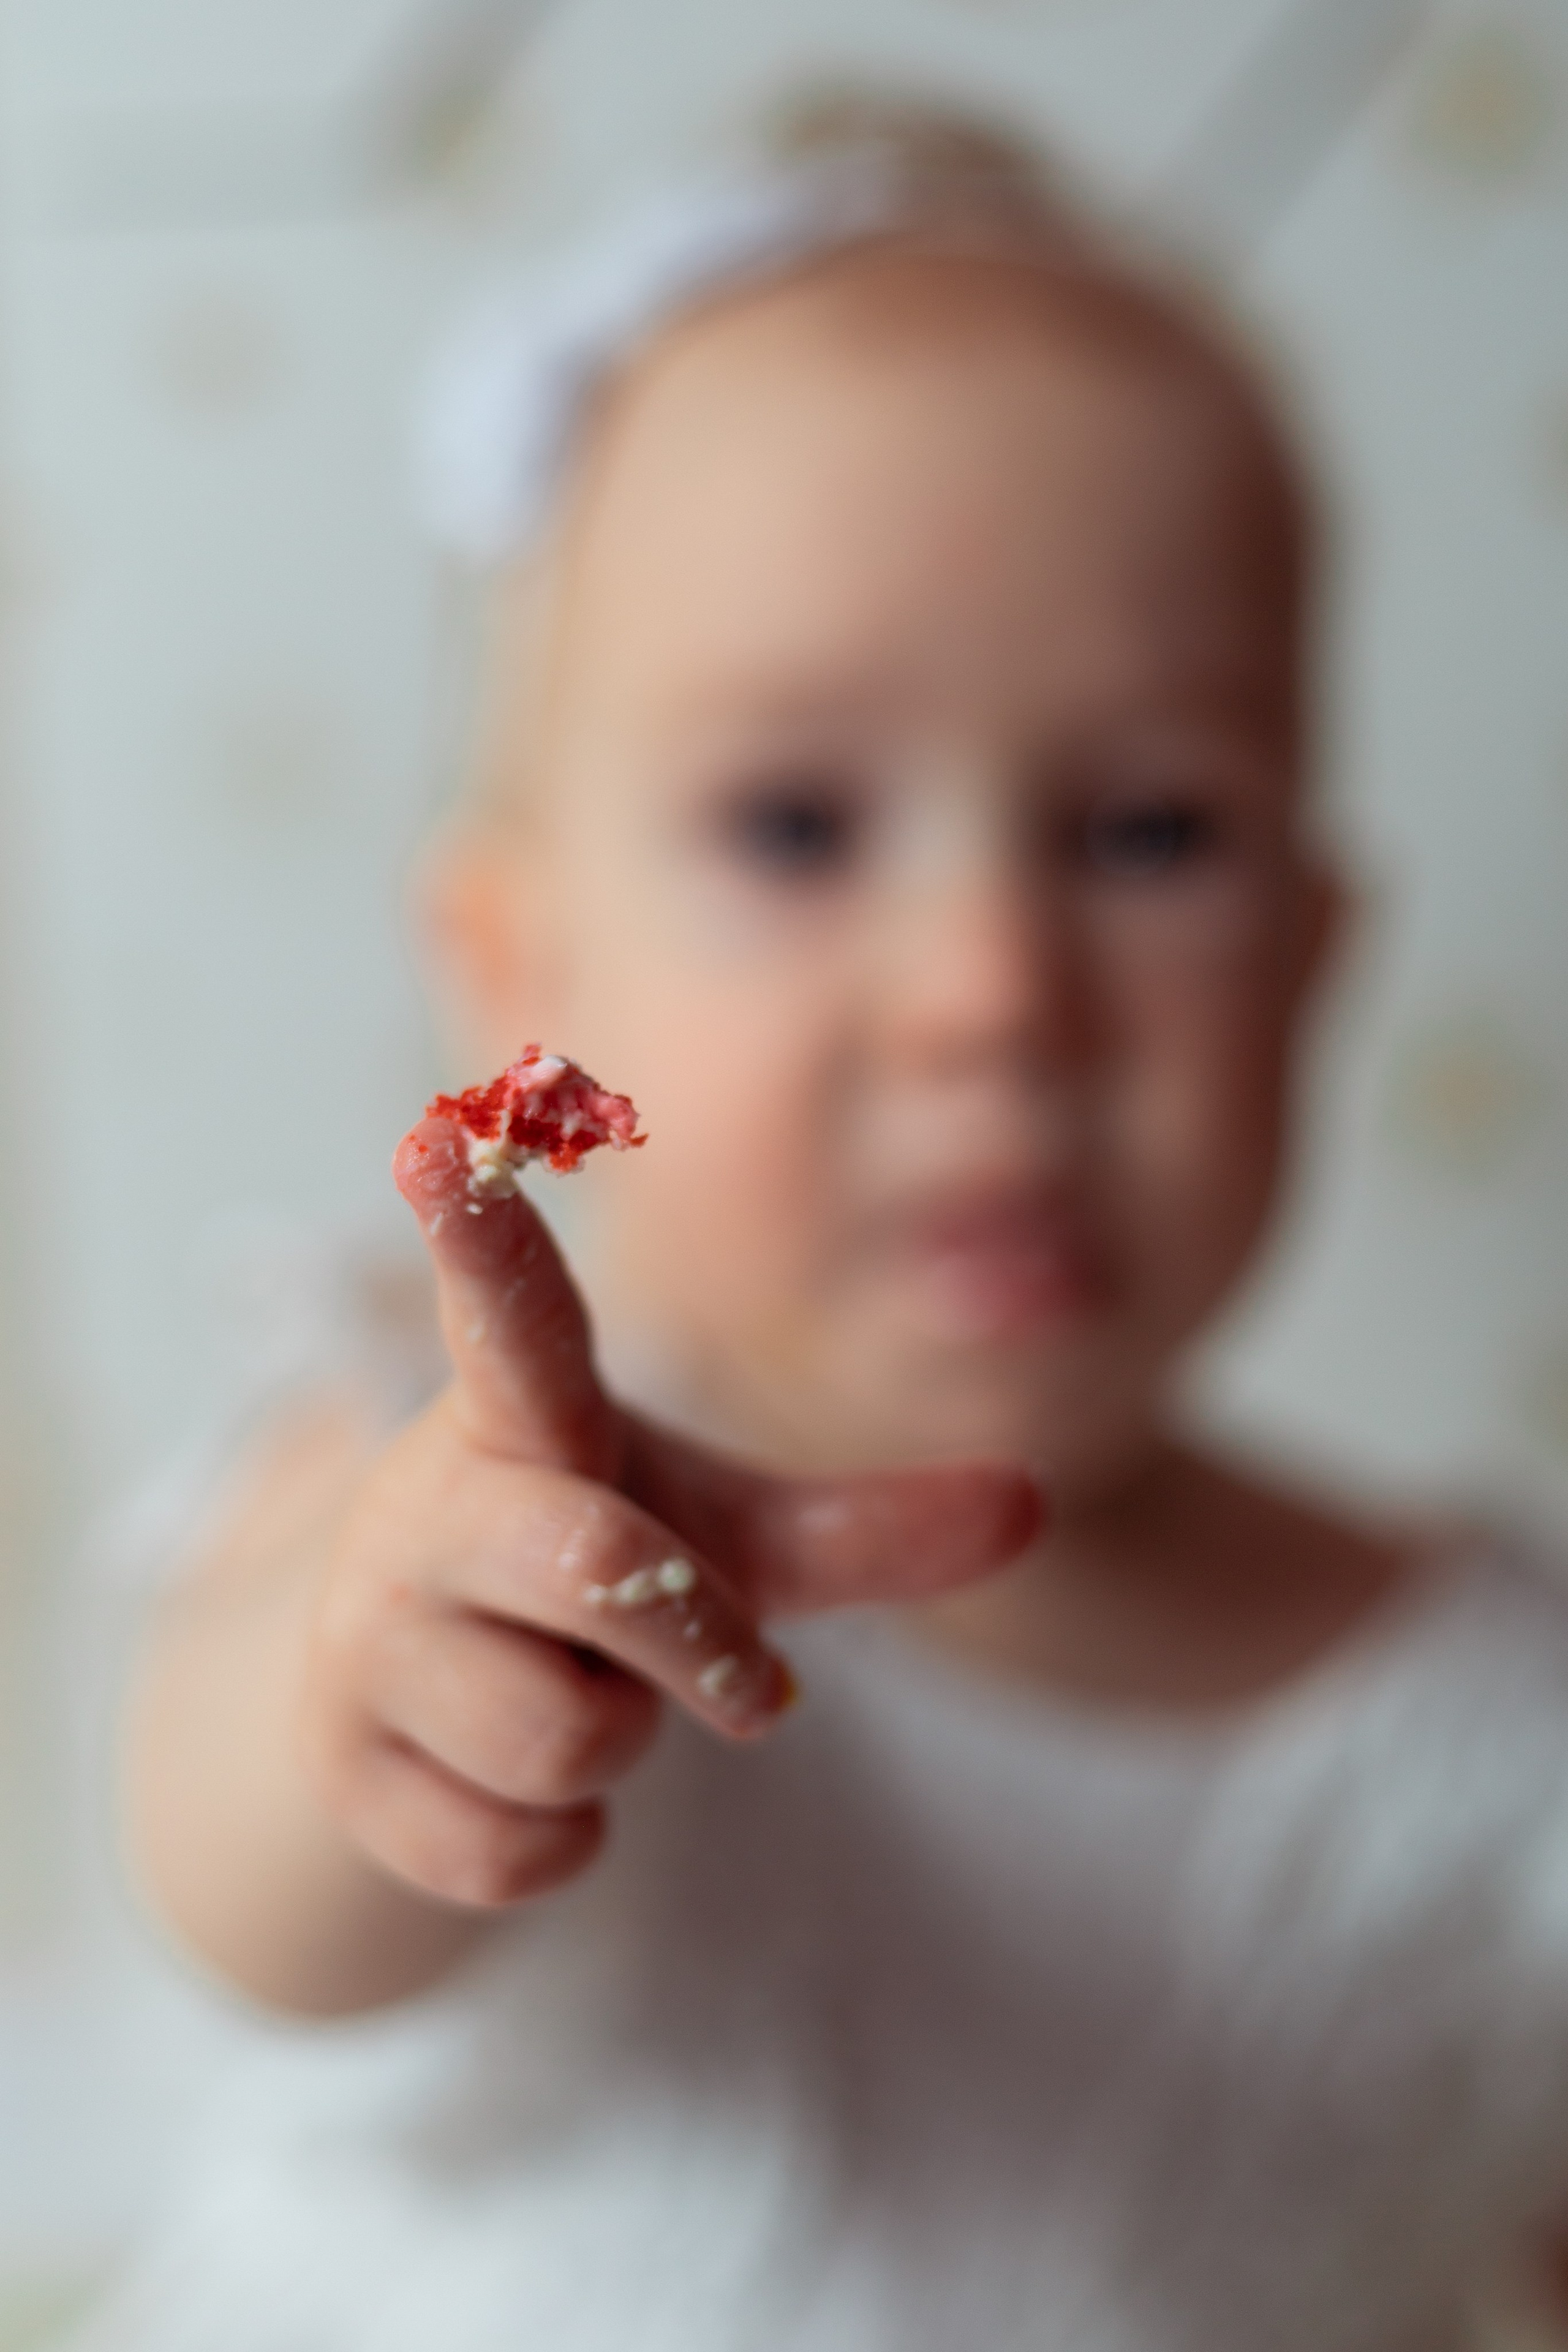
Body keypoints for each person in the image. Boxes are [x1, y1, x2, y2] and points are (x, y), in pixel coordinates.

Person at [85, 94, 1568, 2352]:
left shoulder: (1496, 1738)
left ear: (1315, 962)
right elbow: (249, 1884)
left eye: (1151, 833)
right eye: (796, 824)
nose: (995, 995)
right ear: (516, 972)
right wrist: (378, 1690)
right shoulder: (458, 1492)